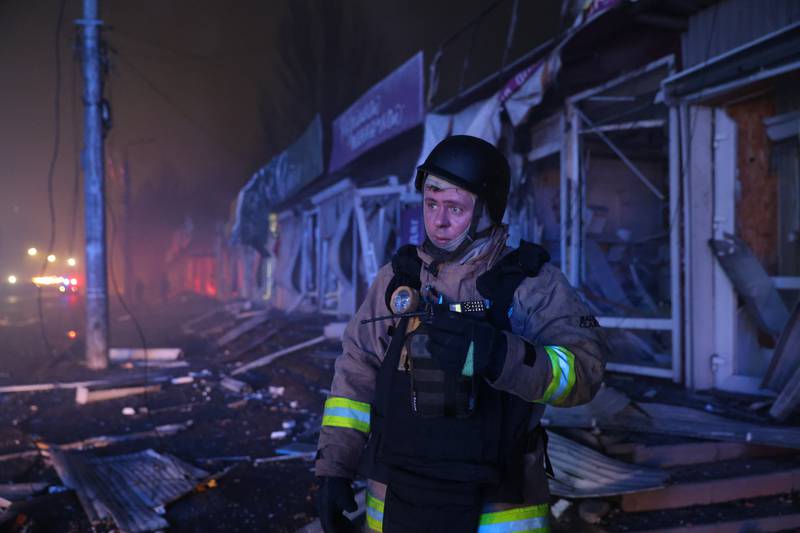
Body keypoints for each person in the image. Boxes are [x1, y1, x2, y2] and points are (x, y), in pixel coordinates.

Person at [315, 135, 608, 533]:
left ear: (489, 211)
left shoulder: (533, 285)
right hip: (397, 501)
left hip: (498, 509)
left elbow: (585, 373)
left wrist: (500, 356)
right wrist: (334, 469)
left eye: (455, 208)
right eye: (431, 204)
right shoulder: (398, 281)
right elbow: (355, 376)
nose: (438, 221)